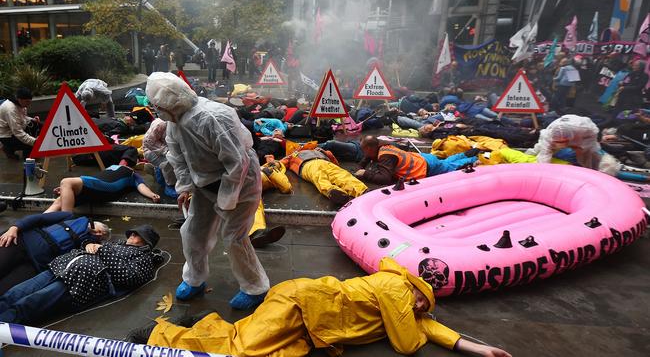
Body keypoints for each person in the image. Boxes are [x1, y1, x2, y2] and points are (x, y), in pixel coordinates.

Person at [128, 257, 511, 357]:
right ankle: (160, 333)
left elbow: (426, 328)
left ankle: (198, 323)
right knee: (245, 348)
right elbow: (408, 344)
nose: (419, 307)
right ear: (414, 289)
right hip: (300, 304)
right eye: (421, 301)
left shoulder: (407, 309)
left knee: (266, 353)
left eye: (423, 307)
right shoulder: (396, 287)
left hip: (314, 329)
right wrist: (412, 317)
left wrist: (475, 347)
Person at [146, 72, 270, 309]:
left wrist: (227, 200)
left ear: (173, 102)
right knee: (192, 232)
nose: (156, 110)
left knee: (234, 236)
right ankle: (194, 279)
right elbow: (178, 157)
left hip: (240, 183)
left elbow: (237, 162)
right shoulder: (175, 123)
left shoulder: (214, 117)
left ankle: (255, 287)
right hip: (203, 182)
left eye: (158, 105)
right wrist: (184, 187)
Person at [0, 225, 162, 324]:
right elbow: (91, 246)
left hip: (80, 280)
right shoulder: (118, 243)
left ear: (146, 243)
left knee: (30, 303)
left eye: (136, 235)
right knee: (16, 292)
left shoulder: (144, 260)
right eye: (132, 233)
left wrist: (102, 250)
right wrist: (89, 243)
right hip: (61, 266)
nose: (131, 236)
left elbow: (127, 277)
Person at [0, 212, 110, 295]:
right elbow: (39, 218)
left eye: (102, 236)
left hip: (35, 266)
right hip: (21, 242)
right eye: (100, 230)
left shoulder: (87, 247)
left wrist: (93, 243)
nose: (99, 234)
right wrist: (14, 228)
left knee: (6, 289)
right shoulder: (69, 217)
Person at [44, 151, 160, 213]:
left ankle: (66, 220)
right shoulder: (112, 166)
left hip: (108, 187)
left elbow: (141, 186)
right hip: (96, 184)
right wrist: (66, 191)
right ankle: (40, 223)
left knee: (66, 182)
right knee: (60, 200)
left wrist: (152, 195)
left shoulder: (134, 174)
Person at [356, 135, 477, 185]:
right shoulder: (381, 145)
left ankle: (475, 158)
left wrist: (366, 173)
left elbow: (385, 179)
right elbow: (368, 157)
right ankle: (466, 154)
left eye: (364, 150)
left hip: (424, 167)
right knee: (445, 163)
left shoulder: (386, 157)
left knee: (450, 167)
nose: (363, 153)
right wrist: (361, 167)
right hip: (423, 159)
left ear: (369, 148)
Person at [271, 144, 368, 206]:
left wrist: (325, 152)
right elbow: (279, 163)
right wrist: (271, 160)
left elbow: (335, 162)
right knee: (318, 176)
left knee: (343, 175)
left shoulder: (319, 150)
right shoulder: (292, 155)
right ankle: (333, 192)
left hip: (326, 163)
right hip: (307, 165)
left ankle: (362, 190)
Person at [527, 115, 601, 170]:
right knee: (539, 149)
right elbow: (544, 157)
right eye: (557, 142)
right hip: (556, 136)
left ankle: (593, 172)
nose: (560, 145)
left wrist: (582, 147)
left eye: (563, 141)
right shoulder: (548, 136)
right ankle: (528, 154)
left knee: (589, 155)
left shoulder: (584, 129)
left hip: (579, 136)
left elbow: (594, 133)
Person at [143, 118, 177, 198]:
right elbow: (148, 141)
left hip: (167, 148)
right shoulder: (161, 124)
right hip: (151, 150)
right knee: (169, 161)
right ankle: (170, 185)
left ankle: (159, 171)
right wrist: (167, 151)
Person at [0, 87, 37, 159]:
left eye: (30, 101)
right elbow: (18, 132)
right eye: (27, 102)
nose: (28, 104)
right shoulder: (10, 109)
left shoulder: (20, 104)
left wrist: (32, 119)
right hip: (6, 135)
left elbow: (22, 117)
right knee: (30, 144)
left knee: (36, 125)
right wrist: (34, 142)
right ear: (19, 99)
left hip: (12, 129)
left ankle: (9, 149)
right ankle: (28, 160)